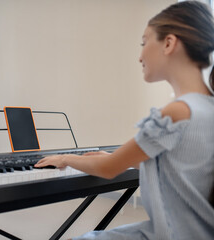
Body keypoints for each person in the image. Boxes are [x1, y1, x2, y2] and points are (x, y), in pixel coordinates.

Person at [35, 1, 214, 239]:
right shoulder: (207, 107)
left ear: (169, 43)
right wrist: (120, 158)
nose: (140, 55)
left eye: (144, 42)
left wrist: (65, 158)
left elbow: (108, 169)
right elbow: (184, 167)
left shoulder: (175, 113)